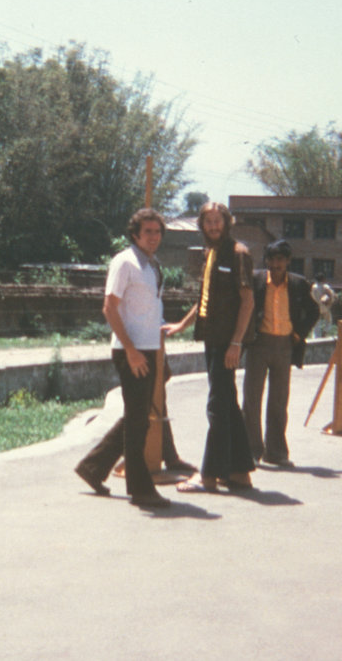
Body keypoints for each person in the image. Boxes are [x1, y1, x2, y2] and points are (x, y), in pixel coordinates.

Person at [74, 208, 170, 508]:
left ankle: (93, 467)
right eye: (148, 232)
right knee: (139, 421)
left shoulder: (152, 265)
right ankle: (140, 488)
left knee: (137, 416)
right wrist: (130, 350)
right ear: (135, 234)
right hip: (131, 350)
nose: (153, 237)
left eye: (157, 232)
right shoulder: (124, 262)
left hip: (150, 347)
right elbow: (109, 308)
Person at [165, 202, 255, 492]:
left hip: (227, 342)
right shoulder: (210, 253)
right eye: (208, 222)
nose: (213, 227)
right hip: (213, 339)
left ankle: (209, 476)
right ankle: (240, 472)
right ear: (202, 226)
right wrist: (182, 324)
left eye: (218, 221)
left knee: (217, 405)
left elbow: (248, 301)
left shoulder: (238, 254)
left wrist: (236, 343)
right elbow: (204, 298)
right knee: (227, 403)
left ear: (227, 223)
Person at [241, 240, 319, 467]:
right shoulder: (256, 280)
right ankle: (251, 452)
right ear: (265, 260)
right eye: (271, 259)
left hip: (285, 347)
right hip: (258, 345)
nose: (275, 264)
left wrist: (298, 335)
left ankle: (276, 452)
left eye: (280, 260)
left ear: (287, 261)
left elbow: (314, 311)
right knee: (251, 399)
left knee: (278, 401)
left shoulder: (298, 284)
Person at [310, 273, 336, 337]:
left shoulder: (313, 287)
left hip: (316, 306)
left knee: (316, 322)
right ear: (323, 279)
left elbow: (311, 296)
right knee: (329, 320)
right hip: (324, 306)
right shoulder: (325, 286)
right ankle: (325, 332)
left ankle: (316, 337)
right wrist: (330, 302)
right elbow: (331, 294)